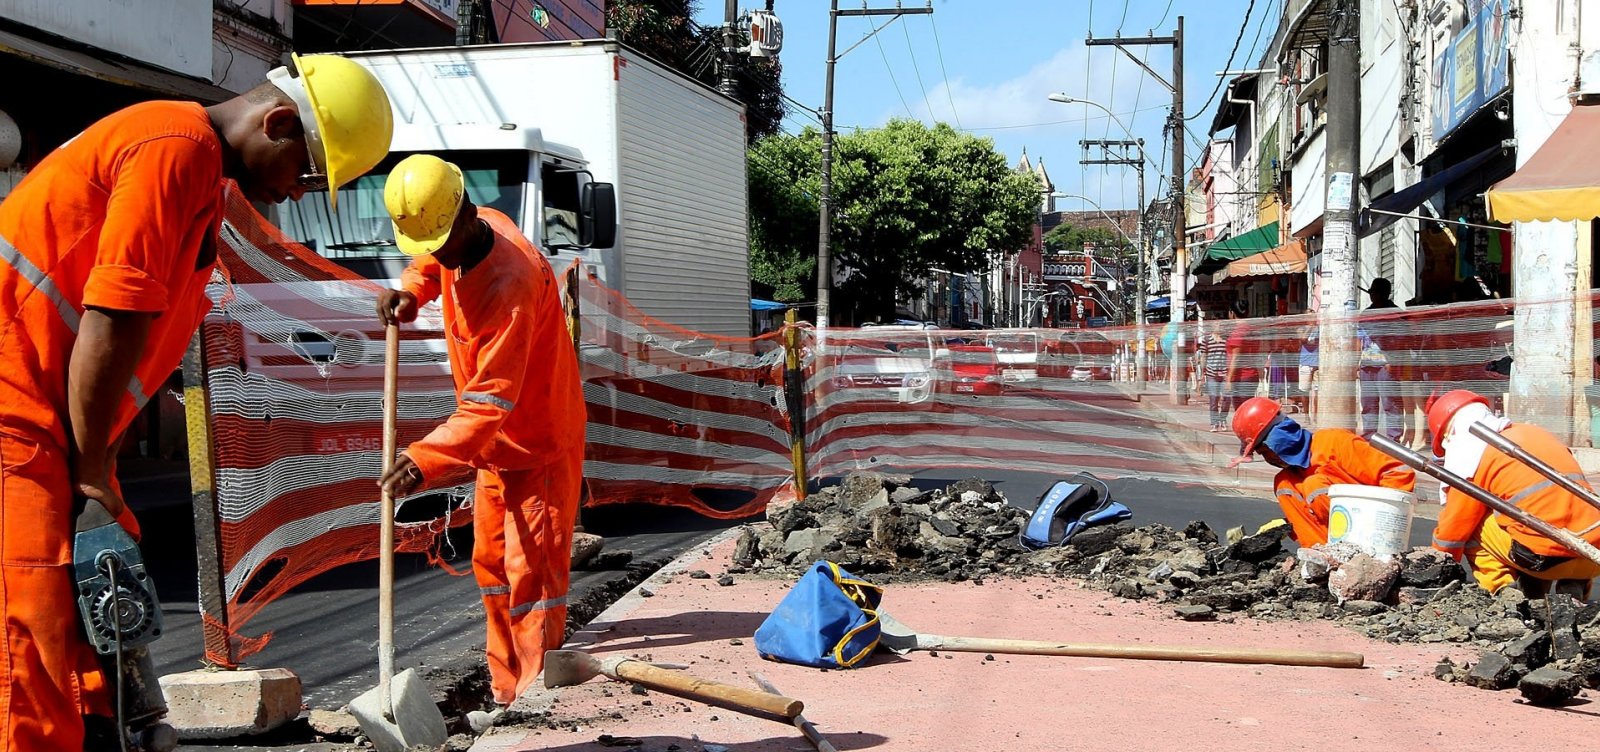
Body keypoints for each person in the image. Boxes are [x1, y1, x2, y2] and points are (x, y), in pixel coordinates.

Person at [0, 54, 393, 750]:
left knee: (87, 617)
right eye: (304, 174)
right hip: (15, 409)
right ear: (277, 122)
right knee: (29, 630)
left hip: (47, 416)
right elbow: (115, 314)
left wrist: (99, 463)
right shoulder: (174, 148)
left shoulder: (199, 176)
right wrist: (91, 470)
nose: (296, 195)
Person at [375, 154, 585, 707]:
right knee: (491, 566)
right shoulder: (465, 230)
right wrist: (413, 291)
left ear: (466, 212)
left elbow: (489, 402)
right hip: (495, 446)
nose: (437, 252)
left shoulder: (509, 284)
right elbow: (427, 257)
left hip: (535, 439)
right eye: (429, 242)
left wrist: (424, 459)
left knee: (529, 579)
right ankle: (503, 690)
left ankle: (535, 696)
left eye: (441, 240)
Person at [1426, 390, 1600, 595]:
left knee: (1474, 525)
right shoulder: (1535, 434)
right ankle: (1572, 586)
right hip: (1592, 555)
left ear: (1448, 434)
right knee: (1542, 514)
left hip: (1543, 558)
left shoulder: (1470, 454)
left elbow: (1452, 532)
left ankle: (1502, 591)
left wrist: (1436, 571)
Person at [1230, 397, 1416, 546]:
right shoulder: (1291, 477)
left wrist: (1381, 525)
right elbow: (1318, 513)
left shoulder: (1335, 443)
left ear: (1277, 438)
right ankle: (1321, 558)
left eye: (1265, 451)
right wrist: (1286, 526)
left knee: (1314, 483)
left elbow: (1398, 472)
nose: (1268, 458)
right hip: (1336, 542)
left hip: (1370, 535)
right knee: (1284, 483)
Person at [1196, 318, 1230, 431]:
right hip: (1211, 373)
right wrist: (1202, 374)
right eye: (1217, 325)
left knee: (1226, 398)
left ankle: (1223, 419)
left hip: (1225, 373)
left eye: (1221, 325)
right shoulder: (1207, 340)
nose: (1219, 327)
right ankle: (1214, 423)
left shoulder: (1226, 340)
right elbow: (1203, 356)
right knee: (1214, 398)